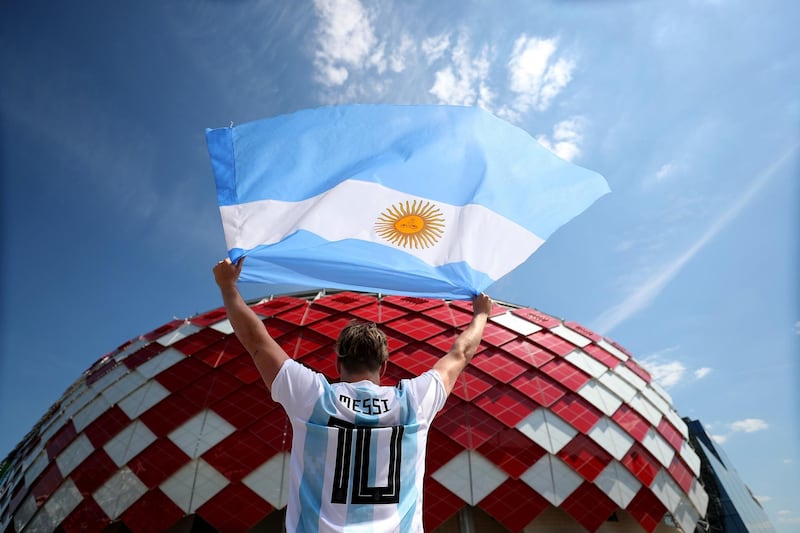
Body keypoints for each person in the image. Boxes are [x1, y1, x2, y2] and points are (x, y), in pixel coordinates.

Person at [213, 258, 492, 533]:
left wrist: (228, 287)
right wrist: (481, 313)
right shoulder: (412, 402)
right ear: (383, 366)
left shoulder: (314, 397)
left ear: (338, 364)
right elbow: (461, 353)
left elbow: (257, 342)